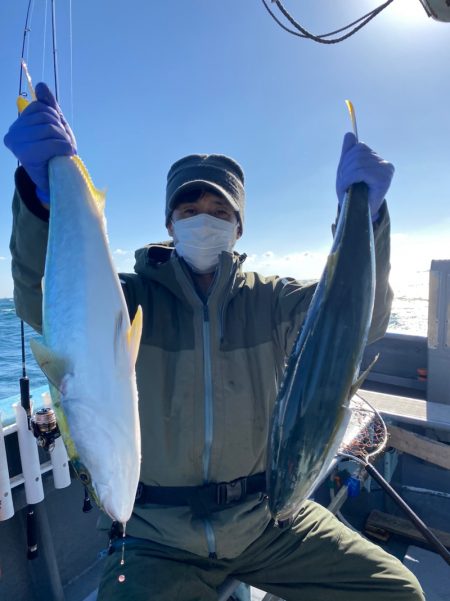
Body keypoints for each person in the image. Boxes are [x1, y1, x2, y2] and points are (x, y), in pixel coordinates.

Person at [4, 82, 424, 601]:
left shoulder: (274, 299)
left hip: (270, 520)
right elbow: (43, 299)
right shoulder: (130, 298)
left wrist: (368, 217)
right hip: (156, 537)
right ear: (169, 223)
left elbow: (360, 319)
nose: (204, 219)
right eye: (189, 209)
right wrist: (39, 202)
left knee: (395, 592)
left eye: (220, 211)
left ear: (239, 226)